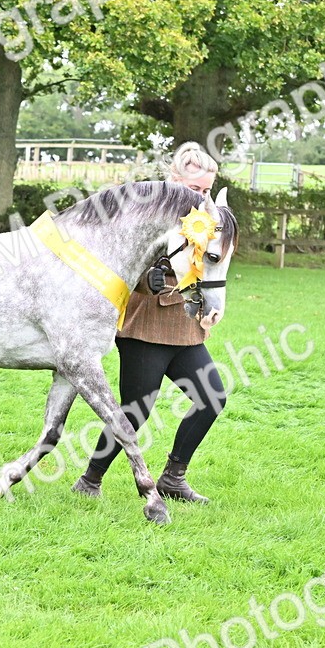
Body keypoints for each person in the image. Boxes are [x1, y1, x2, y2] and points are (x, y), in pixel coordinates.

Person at [72, 142, 227, 503]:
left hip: (186, 327)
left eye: (207, 190)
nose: (201, 197)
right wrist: (145, 281)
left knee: (212, 396)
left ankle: (173, 478)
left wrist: (210, 302)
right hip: (145, 326)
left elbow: (213, 266)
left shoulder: (205, 221)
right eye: (194, 188)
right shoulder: (147, 212)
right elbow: (117, 260)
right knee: (136, 410)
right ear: (174, 180)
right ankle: (90, 479)